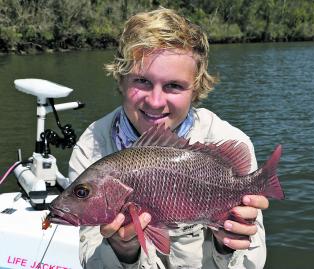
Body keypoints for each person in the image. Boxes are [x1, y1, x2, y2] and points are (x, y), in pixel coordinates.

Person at [68, 7, 269, 269]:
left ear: (195, 89)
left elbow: (253, 261)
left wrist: (226, 243)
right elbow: (90, 259)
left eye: (174, 85)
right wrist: (123, 251)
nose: (155, 101)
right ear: (120, 80)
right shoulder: (91, 146)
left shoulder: (227, 141)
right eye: (141, 80)